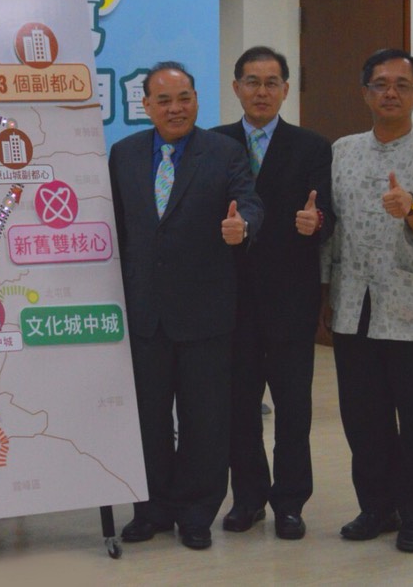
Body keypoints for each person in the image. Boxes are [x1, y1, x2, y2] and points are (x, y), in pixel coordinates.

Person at [108, 61, 262, 550]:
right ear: (146, 106)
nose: (176, 108)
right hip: (144, 315)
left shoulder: (224, 151)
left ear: (196, 99)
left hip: (205, 314)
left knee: (204, 421)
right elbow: (116, 229)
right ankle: (150, 510)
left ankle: (196, 514)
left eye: (184, 98)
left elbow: (249, 202)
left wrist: (243, 227)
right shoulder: (124, 154)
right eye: (164, 100)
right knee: (148, 420)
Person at [324, 49, 413, 554]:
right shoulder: (342, 151)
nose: (390, 93)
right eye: (380, 84)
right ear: (364, 93)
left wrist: (412, 208)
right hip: (352, 307)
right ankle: (376, 507)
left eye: (402, 85)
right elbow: (330, 224)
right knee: (364, 419)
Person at [211, 46, 333, 541]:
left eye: (271, 83)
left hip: (290, 301)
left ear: (285, 89)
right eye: (252, 82)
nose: (261, 92)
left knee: (293, 409)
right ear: (236, 88)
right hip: (231, 301)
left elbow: (328, 214)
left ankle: (290, 503)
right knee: (239, 408)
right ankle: (248, 499)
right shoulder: (214, 144)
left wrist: (316, 222)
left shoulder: (312, 146)